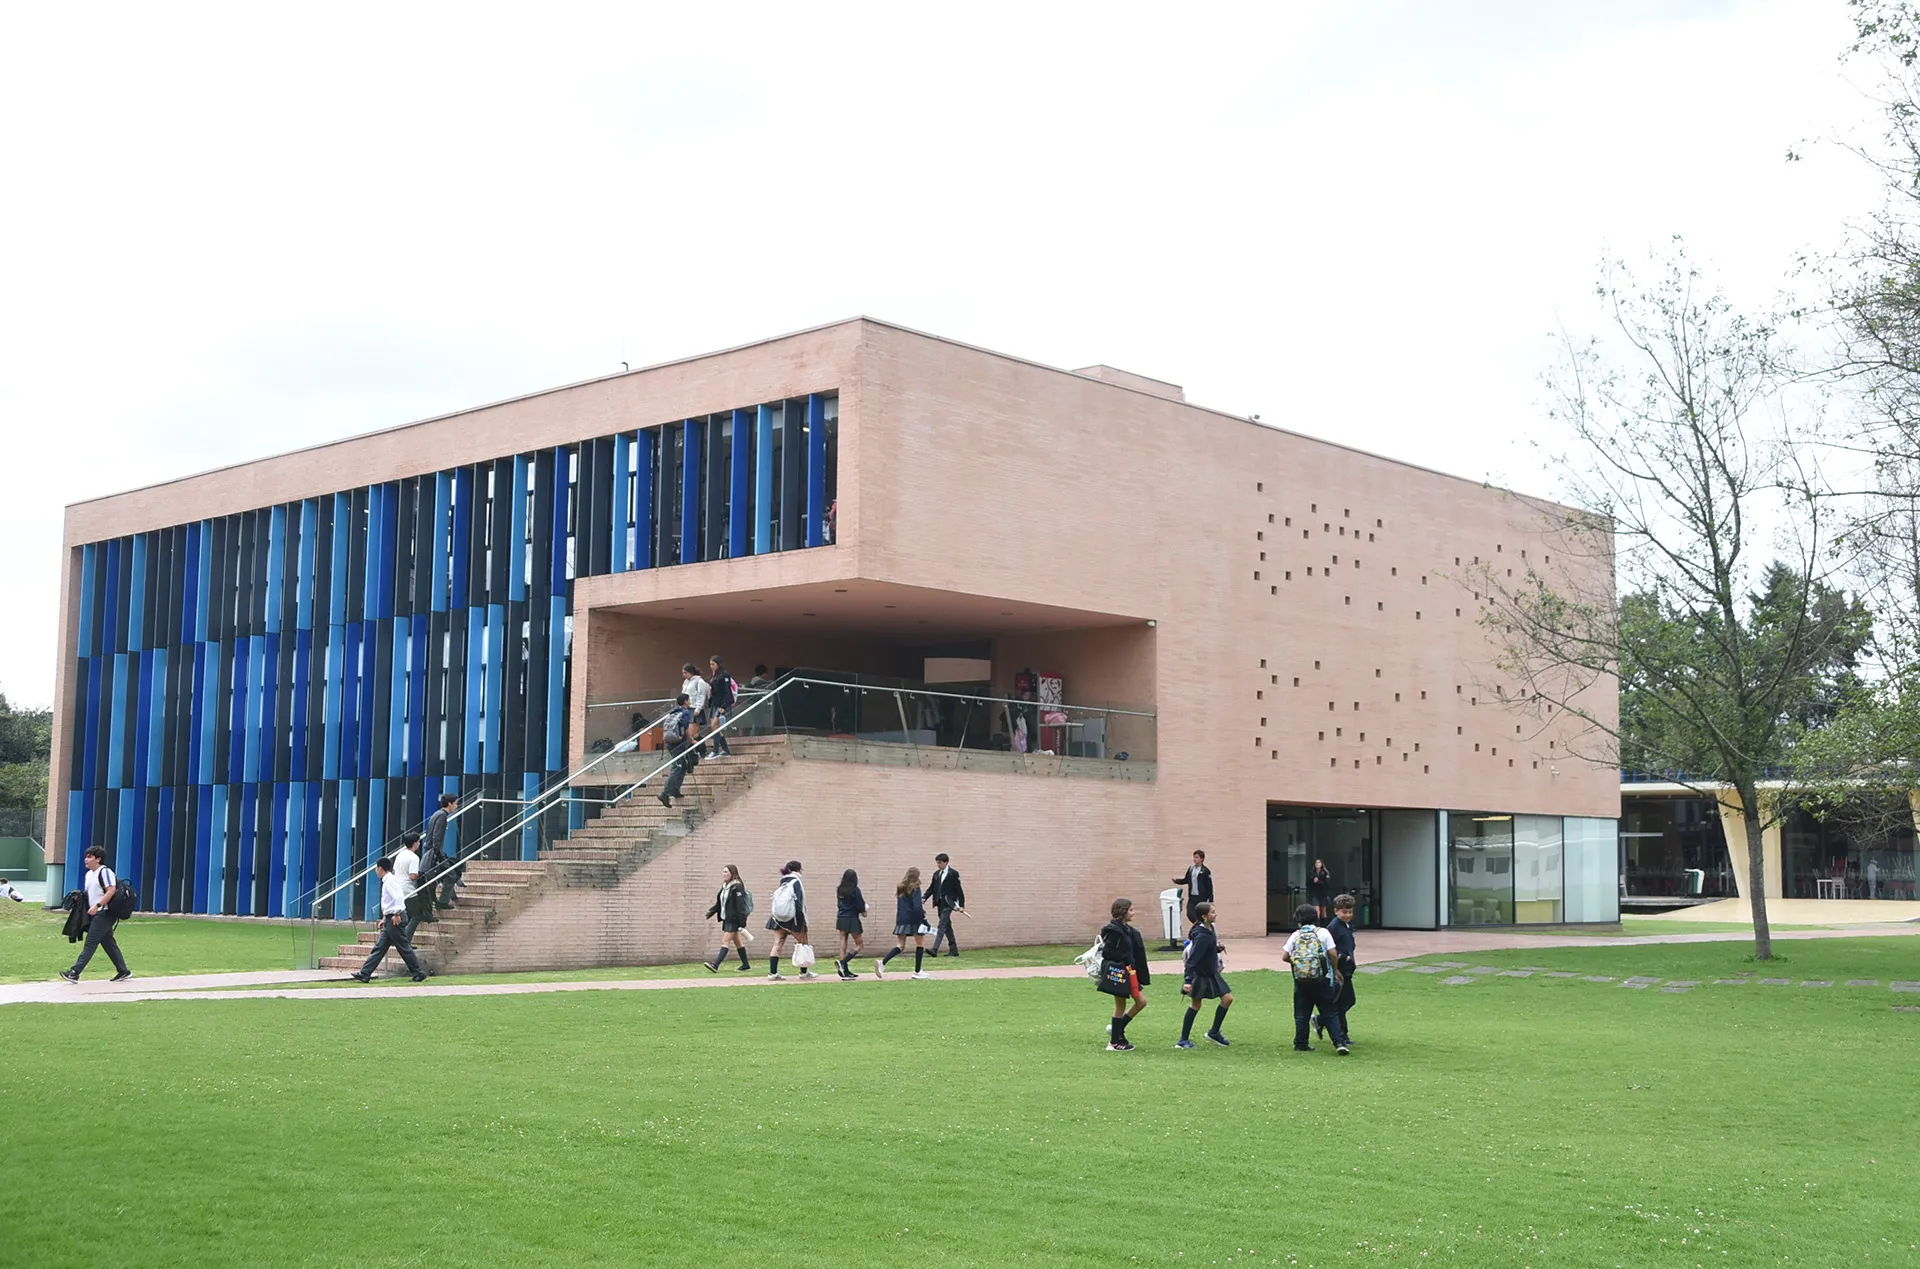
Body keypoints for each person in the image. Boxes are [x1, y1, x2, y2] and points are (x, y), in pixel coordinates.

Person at [1282, 903, 1347, 1055]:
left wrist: (1300, 964)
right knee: (1329, 1010)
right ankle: (1339, 1043)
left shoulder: (1295, 935)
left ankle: (1301, 1043)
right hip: (1322, 979)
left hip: (1301, 980)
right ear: (1315, 917)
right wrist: (1335, 969)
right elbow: (1332, 953)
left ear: (1298, 920)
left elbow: (1285, 956)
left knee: (1301, 1013)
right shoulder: (1323, 933)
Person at [351, 856, 428, 983]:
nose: (376, 870)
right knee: (380, 947)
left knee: (403, 947)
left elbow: (398, 898)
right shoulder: (388, 880)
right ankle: (365, 973)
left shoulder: (390, 881)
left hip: (394, 918)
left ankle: (418, 972)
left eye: (376, 868)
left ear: (380, 868)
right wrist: (385, 918)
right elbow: (390, 901)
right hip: (390, 918)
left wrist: (396, 914)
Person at [59, 846, 130, 983]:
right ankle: (123, 971)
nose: (86, 859)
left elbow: (111, 890)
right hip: (95, 913)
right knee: (108, 942)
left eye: (90, 857)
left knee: (90, 943)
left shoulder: (105, 872)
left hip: (105, 912)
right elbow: (90, 893)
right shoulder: (89, 875)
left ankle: (74, 973)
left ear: (98, 859)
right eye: (86, 856)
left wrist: (98, 906)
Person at [1096, 897, 1151, 1050]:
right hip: (1120, 973)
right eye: (1131, 910)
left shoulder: (1128, 930)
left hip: (1130, 972)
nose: (1133, 913)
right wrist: (1124, 959)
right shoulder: (1114, 931)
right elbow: (1107, 952)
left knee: (1140, 1002)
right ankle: (1114, 1041)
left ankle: (1116, 1032)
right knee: (1123, 1005)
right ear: (1122, 912)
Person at [1177, 900, 1233, 1049]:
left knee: (1227, 999)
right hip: (1200, 975)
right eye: (1212, 912)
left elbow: (1207, 951)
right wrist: (1188, 981)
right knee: (1196, 1005)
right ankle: (1183, 1040)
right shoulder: (1201, 935)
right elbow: (1192, 960)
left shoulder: (1210, 929)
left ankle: (1214, 1033)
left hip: (1211, 973)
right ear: (1204, 916)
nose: (1216, 914)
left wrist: (1216, 949)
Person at [1316, 893, 1359, 1046]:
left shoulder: (1346, 926)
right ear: (1336, 911)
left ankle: (1322, 1021)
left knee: (1345, 1001)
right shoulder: (1333, 927)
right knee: (1344, 1002)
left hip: (1347, 970)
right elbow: (1327, 948)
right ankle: (1339, 1032)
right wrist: (1342, 959)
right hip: (1339, 970)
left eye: (1350, 912)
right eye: (1344, 912)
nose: (1348, 915)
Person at [876, 866, 932, 979]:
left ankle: (883, 962)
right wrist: (923, 919)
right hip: (914, 920)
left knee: (900, 945)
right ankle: (917, 971)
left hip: (901, 919)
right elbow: (916, 907)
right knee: (920, 944)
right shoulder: (916, 888)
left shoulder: (901, 888)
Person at [765, 861, 815, 981]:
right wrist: (802, 921)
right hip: (794, 919)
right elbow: (798, 903)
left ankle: (773, 973)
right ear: (799, 869)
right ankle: (804, 972)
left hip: (779, 919)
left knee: (777, 944)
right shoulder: (796, 882)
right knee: (803, 943)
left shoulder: (783, 881)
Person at [703, 864, 752, 972]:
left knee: (725, 941)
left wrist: (742, 922)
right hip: (727, 918)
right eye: (723, 872)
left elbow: (740, 906)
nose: (723, 874)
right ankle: (746, 965)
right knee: (737, 942)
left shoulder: (737, 886)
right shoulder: (725, 886)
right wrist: (710, 912)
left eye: (726, 872)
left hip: (734, 919)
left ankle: (715, 965)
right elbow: (720, 903)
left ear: (732, 873)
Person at [657, 695, 695, 807]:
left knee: (682, 765)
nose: (689, 702)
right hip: (679, 743)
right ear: (685, 702)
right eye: (689, 700)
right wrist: (691, 739)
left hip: (670, 743)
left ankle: (675, 789)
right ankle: (665, 794)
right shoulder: (685, 713)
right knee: (676, 766)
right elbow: (686, 727)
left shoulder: (673, 712)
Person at [425, 792, 460, 908]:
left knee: (449, 873)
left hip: (432, 851)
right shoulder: (442, 816)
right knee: (450, 875)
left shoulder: (437, 814)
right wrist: (438, 853)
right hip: (434, 852)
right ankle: (444, 902)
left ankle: (452, 896)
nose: (456, 806)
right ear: (449, 804)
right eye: (455, 804)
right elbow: (436, 835)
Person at [926, 853, 966, 957]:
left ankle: (935, 949)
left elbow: (959, 891)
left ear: (946, 862)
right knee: (947, 926)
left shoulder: (953, 874)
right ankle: (954, 950)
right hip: (939, 903)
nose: (938, 865)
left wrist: (961, 905)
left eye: (939, 863)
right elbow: (932, 888)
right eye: (937, 863)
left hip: (949, 904)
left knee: (942, 924)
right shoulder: (936, 874)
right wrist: (924, 897)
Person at [833, 868, 867, 980]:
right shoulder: (855, 889)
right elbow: (859, 903)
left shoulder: (840, 889)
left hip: (841, 917)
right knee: (859, 944)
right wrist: (863, 911)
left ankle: (845, 971)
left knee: (843, 943)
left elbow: (839, 904)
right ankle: (843, 962)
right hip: (852, 918)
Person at [393, 831, 426, 940]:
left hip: (397, 887)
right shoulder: (414, 857)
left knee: (403, 915)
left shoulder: (400, 854)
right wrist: (421, 874)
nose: (419, 844)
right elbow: (412, 876)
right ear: (415, 843)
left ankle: (399, 938)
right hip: (408, 889)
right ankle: (406, 940)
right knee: (417, 914)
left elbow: (394, 871)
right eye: (418, 842)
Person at [706, 656, 736, 757]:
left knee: (714, 726)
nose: (711, 666)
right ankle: (725, 750)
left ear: (718, 664)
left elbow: (726, 691)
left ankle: (715, 750)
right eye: (710, 664)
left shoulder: (724, 675)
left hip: (722, 704)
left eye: (713, 664)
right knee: (715, 728)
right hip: (715, 703)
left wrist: (723, 705)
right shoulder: (714, 675)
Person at [1174, 849, 1213, 923]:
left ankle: (1201, 926)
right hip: (1192, 896)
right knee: (1190, 914)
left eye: (1197, 857)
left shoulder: (1205, 871)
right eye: (1194, 857)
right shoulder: (1191, 868)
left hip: (1201, 897)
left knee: (1200, 914)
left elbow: (1209, 886)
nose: (1194, 859)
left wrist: (1210, 899)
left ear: (1201, 859)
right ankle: (1200, 925)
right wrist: (1177, 881)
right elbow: (1186, 880)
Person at [681, 662, 712, 737]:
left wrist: (698, 708)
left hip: (695, 708)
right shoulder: (686, 682)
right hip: (687, 708)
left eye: (686, 673)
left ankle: (698, 747)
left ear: (690, 672)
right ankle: (699, 748)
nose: (684, 675)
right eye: (683, 673)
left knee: (692, 733)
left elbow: (701, 695)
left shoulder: (699, 681)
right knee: (692, 734)